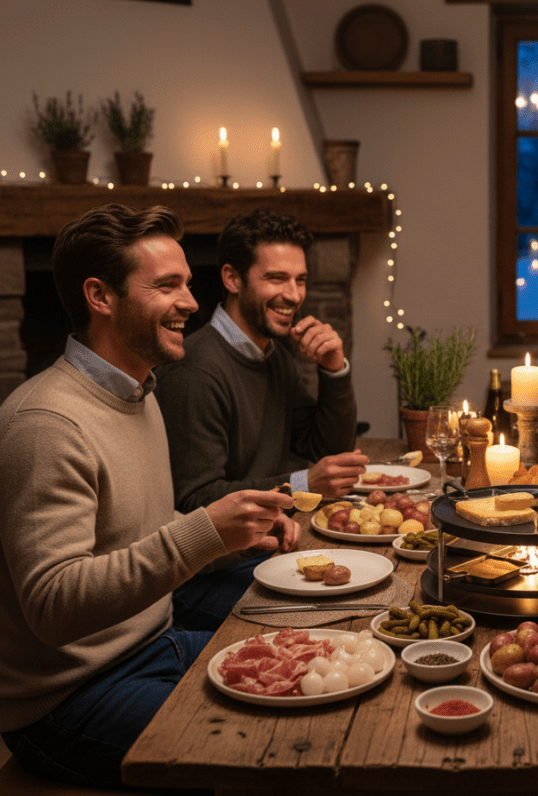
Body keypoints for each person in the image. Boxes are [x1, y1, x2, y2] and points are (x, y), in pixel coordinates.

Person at [0, 204, 299, 788]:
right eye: (167, 286)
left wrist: (233, 537)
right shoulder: (46, 424)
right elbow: (52, 606)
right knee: (277, 742)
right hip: (66, 699)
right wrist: (204, 533)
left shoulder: (140, 392)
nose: (192, 302)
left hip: (155, 644)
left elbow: (144, 530)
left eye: (187, 283)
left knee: (309, 660)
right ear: (100, 296)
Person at [154, 209, 367, 629]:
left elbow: (325, 450)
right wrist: (304, 483)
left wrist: (334, 369)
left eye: (300, 279)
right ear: (232, 279)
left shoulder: (273, 353)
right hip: (202, 579)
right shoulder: (195, 370)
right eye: (276, 278)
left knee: (370, 584)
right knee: (342, 621)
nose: (294, 294)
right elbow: (196, 498)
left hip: (265, 547)